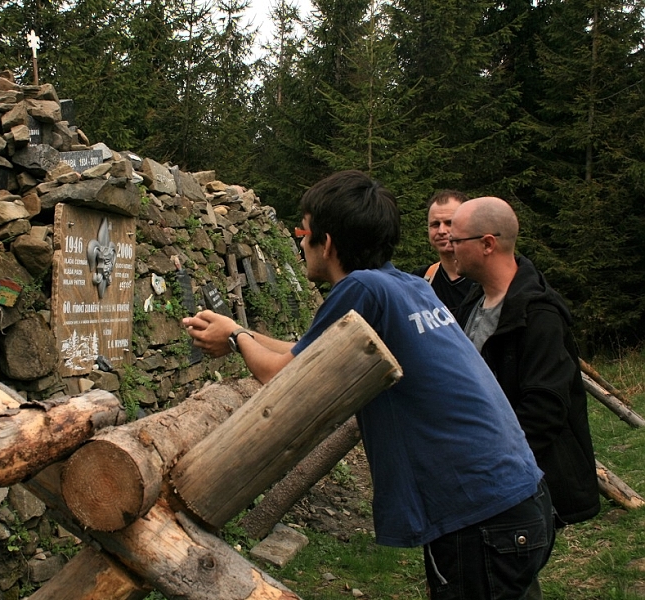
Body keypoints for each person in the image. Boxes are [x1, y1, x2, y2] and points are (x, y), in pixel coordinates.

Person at [184, 171, 554, 599]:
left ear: (328, 242)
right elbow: (307, 353)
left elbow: (284, 374)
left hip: (476, 514)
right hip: (515, 500)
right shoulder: (406, 286)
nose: (299, 242)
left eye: (303, 231)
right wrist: (239, 335)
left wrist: (234, 337)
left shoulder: (361, 288)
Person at [450, 196, 600, 528]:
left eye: (456, 239)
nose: (449, 247)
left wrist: (486, 464)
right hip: (486, 484)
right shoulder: (474, 301)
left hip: (522, 488)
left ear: (487, 244)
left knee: (506, 577)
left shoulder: (539, 315)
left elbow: (544, 410)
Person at [412, 190, 474, 312]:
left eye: (449, 223)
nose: (441, 231)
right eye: (435, 224)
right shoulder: (419, 281)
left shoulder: (486, 280)